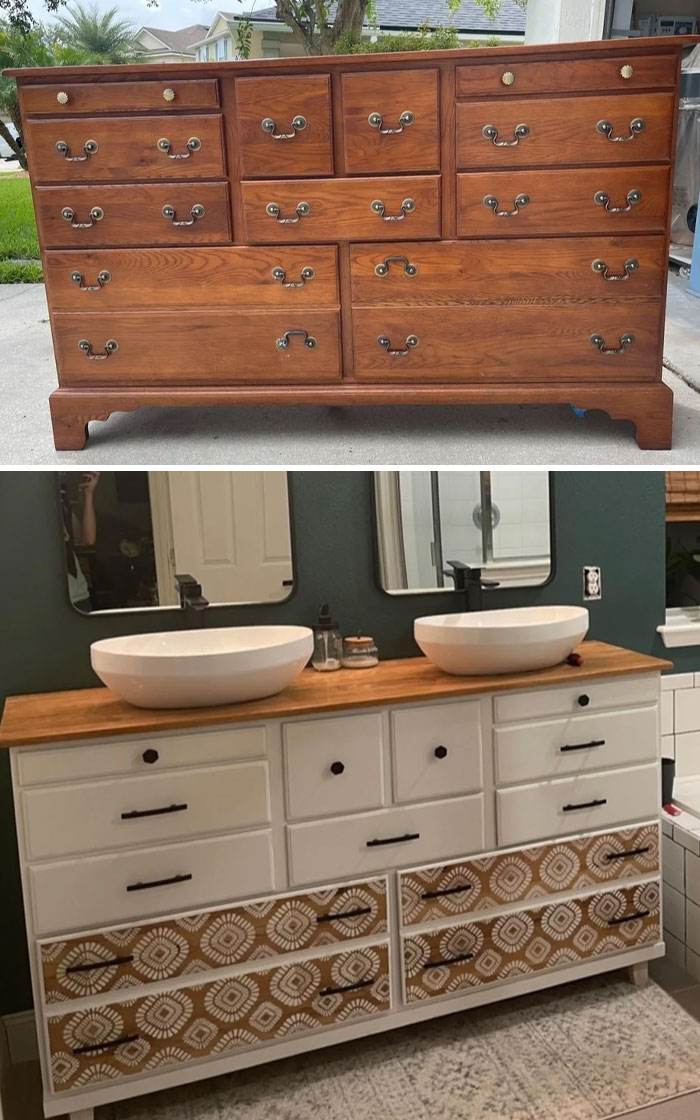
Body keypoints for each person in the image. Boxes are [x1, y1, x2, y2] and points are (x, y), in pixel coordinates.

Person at [61, 472, 99, 611]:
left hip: (79, 595)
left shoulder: (63, 510)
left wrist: (88, 495)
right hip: (49, 597)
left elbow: (88, 539)